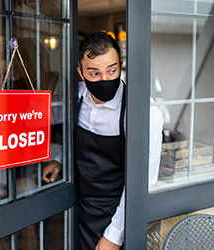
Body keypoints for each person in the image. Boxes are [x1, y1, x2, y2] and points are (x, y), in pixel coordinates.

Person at [42, 31, 163, 250]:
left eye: (112, 70)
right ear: (81, 73)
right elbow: (70, 136)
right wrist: (59, 160)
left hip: (119, 212)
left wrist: (115, 235)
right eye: (95, 73)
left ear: (121, 65)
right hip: (78, 207)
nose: (105, 79)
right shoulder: (76, 97)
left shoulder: (144, 112)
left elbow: (143, 181)